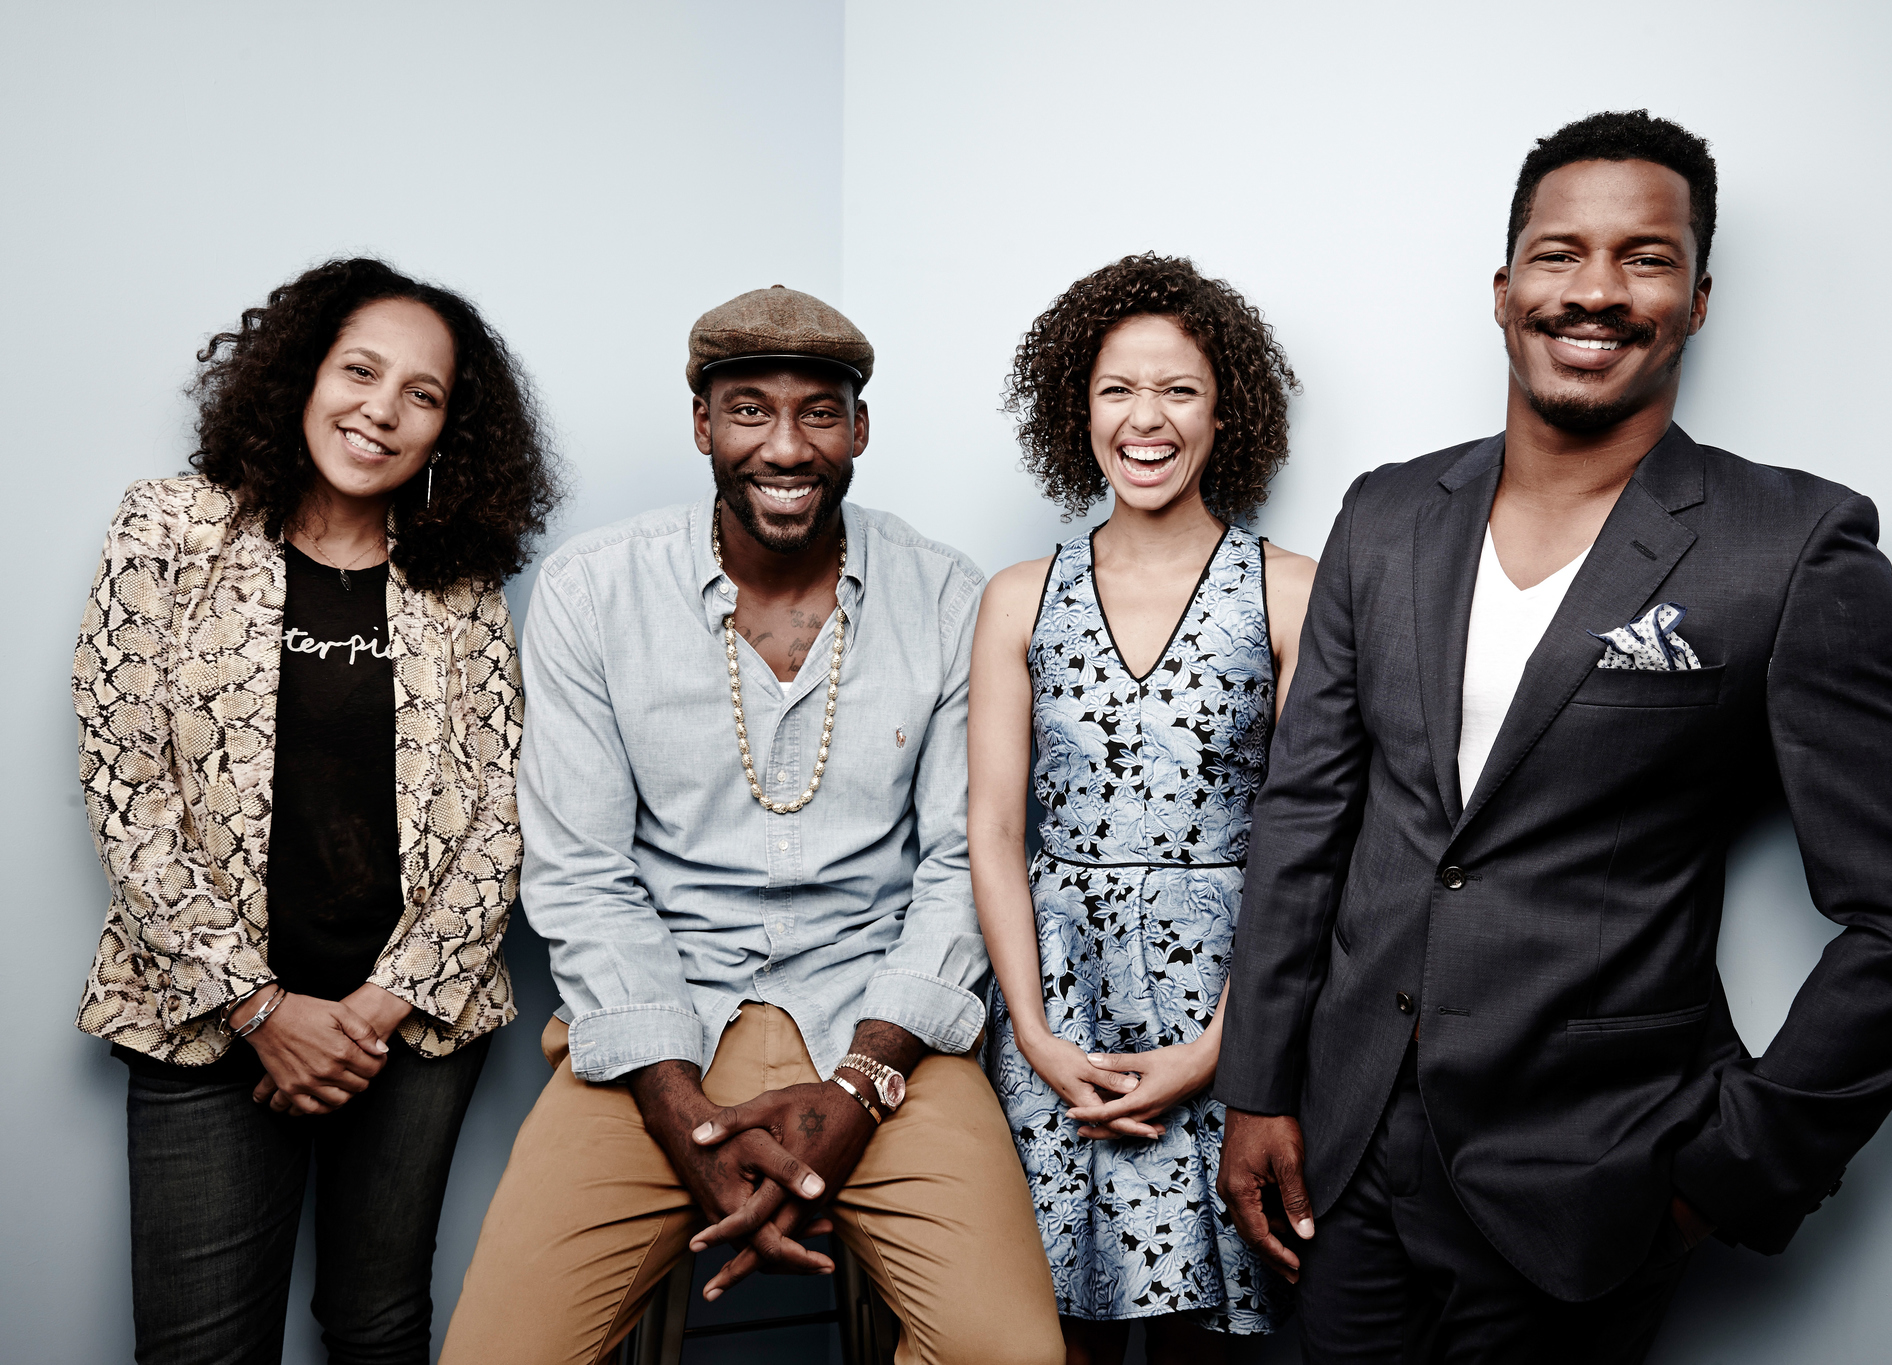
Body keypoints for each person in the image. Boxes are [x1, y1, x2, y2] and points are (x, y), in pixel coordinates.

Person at [1212, 110, 1892, 1363]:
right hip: (1342, 1155)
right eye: (1556, 253)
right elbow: (1308, 814)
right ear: (1501, 287)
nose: (1593, 290)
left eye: (1642, 258)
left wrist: (1724, 1172)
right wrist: (1257, 1081)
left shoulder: (1789, 549)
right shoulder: (1386, 512)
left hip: (1587, 1185)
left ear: (1695, 300)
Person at [441, 285, 1064, 1365]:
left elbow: (962, 862)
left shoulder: (947, 596)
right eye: (748, 410)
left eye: (819, 412)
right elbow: (582, 875)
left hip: (884, 1028)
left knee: (1010, 1356)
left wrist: (860, 1087)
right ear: (701, 425)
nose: (785, 445)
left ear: (859, 429)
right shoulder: (594, 592)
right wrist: (680, 1116)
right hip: (652, 1026)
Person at [74, 257, 560, 1364]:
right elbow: (124, 785)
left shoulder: (457, 585)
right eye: (360, 370)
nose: (381, 410)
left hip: (411, 1031)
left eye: (423, 395)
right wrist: (261, 1011)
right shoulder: (170, 531)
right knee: (200, 1349)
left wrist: (376, 1012)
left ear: (450, 433)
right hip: (204, 1022)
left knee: (380, 1330)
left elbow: (501, 813)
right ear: (302, 372)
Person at [969, 254, 1315, 1364]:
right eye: (1117, 388)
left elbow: (1311, 842)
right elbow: (994, 832)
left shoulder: (1290, 590)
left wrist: (1223, 1046)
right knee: (1047, 1325)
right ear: (1079, 408)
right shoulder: (1018, 596)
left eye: (1177, 389)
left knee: (1208, 1334)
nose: (1145, 418)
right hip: (1055, 998)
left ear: (1227, 411)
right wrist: (1030, 1033)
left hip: (1230, 1000)